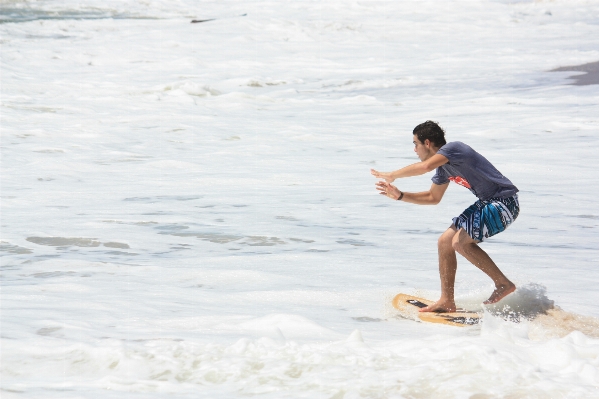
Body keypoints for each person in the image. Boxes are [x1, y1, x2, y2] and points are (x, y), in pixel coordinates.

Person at [371, 121, 519, 313]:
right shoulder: (443, 169)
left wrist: (392, 175)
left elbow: (424, 167)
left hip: (504, 202)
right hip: (487, 203)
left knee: (460, 242)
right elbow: (433, 197)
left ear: (427, 143)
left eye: (415, 144)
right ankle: (446, 301)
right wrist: (400, 196)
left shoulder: (455, 148)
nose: (415, 149)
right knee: (445, 242)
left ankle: (503, 283)